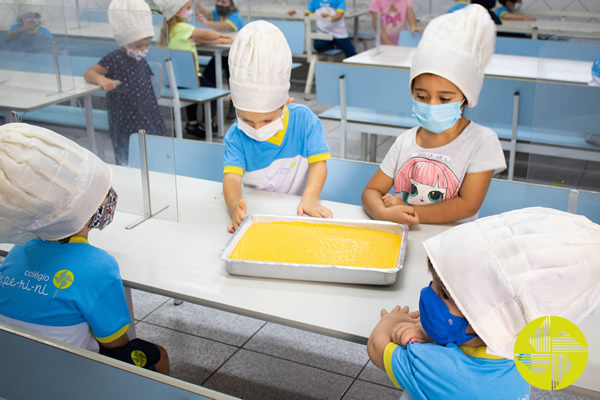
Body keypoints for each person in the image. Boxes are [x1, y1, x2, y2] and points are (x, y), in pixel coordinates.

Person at [367, 207, 600, 399]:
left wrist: (392, 320)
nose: (430, 293)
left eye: (445, 293)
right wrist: (427, 334)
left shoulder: (435, 365)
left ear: (485, 314)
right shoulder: (521, 354)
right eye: (434, 283)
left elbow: (377, 346)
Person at [0, 123, 170, 374]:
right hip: (72, 378)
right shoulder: (98, 266)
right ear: (76, 210)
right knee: (158, 353)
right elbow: (114, 342)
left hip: (17, 371)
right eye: (101, 193)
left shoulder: (14, 256)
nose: (109, 196)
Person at [361, 5, 506, 226]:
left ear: (465, 98)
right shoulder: (405, 141)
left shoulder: (482, 141)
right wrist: (383, 213)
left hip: (452, 242)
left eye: (445, 99)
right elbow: (372, 190)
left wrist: (408, 211)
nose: (432, 104)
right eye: (422, 96)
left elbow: (468, 204)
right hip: (406, 233)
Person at [223, 21, 333, 233]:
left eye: (267, 121)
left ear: (286, 104)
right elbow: (232, 178)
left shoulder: (304, 121)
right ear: (233, 102)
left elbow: (318, 163)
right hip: (259, 211)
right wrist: (234, 206)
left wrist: (310, 198)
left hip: (295, 212)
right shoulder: (235, 135)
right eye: (246, 120)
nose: (257, 128)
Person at [84, 0, 167, 166]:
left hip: (147, 113)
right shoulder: (114, 58)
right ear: (125, 42)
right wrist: (101, 79)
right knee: (128, 152)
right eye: (138, 46)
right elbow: (89, 72)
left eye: (147, 44)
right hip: (126, 118)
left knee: (152, 150)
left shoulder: (139, 58)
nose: (143, 49)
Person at [154, 0, 234, 137]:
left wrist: (220, 41)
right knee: (211, 88)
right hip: (189, 79)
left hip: (176, 80)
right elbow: (205, 34)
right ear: (177, 12)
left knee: (193, 90)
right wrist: (222, 36)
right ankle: (208, 124)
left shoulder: (171, 29)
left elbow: (200, 39)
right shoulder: (182, 28)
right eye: (188, 8)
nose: (190, 11)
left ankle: (192, 123)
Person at [195, 0, 245, 120]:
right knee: (208, 76)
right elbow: (204, 11)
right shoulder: (215, 14)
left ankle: (235, 105)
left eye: (223, 2)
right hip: (220, 54)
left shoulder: (236, 17)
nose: (219, 4)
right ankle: (210, 113)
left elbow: (224, 26)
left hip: (235, 56)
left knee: (233, 81)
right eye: (218, 1)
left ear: (232, 6)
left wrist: (205, 22)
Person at [288, 0, 357, 58]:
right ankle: (334, 45)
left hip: (338, 33)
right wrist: (295, 14)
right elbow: (306, 14)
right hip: (323, 32)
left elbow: (339, 15)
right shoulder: (315, 1)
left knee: (351, 53)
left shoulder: (339, 0)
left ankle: (353, 70)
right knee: (318, 46)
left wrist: (329, 17)